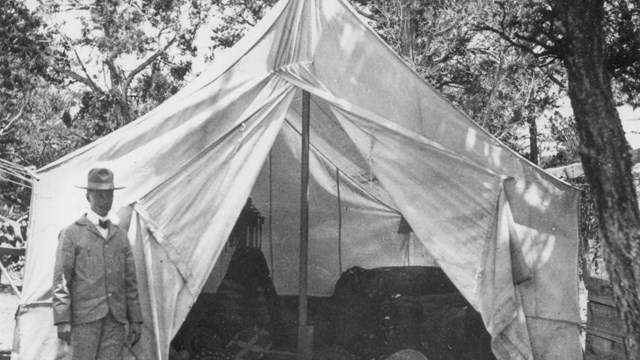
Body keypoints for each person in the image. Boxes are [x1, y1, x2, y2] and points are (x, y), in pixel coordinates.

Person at [52, 167, 142, 360]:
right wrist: (62, 319)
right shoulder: (71, 233)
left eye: (108, 194)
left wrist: (136, 319)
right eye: (99, 194)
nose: (104, 200)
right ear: (88, 196)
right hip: (85, 319)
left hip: (115, 320)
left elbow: (130, 282)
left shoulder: (121, 236)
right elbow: (61, 280)